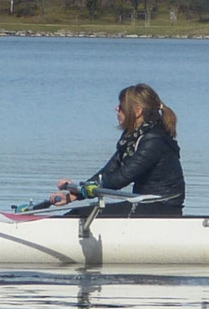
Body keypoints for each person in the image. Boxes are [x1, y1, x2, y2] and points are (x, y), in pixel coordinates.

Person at [44, 83, 185, 216]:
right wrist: (74, 194)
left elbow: (122, 178)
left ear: (137, 112)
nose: (116, 109)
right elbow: (109, 171)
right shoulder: (133, 138)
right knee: (78, 214)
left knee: (79, 215)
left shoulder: (153, 140)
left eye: (122, 106)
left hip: (163, 208)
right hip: (144, 204)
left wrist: (81, 192)